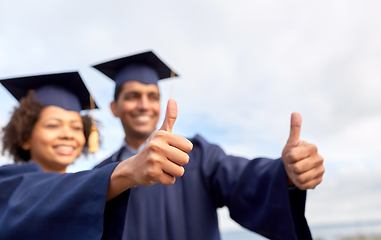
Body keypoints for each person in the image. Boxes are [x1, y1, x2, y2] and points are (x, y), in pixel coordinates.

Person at [92, 51, 325, 240]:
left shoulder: (196, 155)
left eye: (152, 97)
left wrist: (284, 173)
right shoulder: (100, 177)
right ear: (114, 107)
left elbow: (242, 177)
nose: (144, 105)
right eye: (133, 96)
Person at [0, 71, 192, 240]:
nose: (68, 134)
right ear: (25, 137)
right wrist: (129, 169)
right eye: (53, 125)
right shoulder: (7, 185)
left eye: (76, 127)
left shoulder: (91, 189)